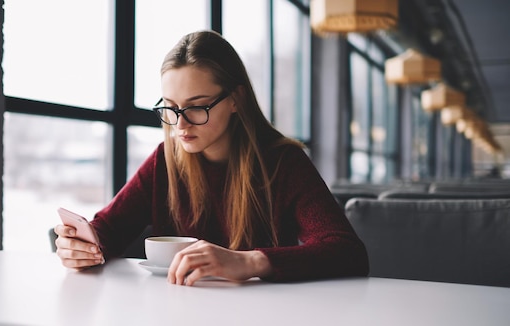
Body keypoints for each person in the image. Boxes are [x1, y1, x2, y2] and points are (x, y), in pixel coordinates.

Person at [54, 30, 369, 286]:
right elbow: (108, 230)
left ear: (235, 100)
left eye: (196, 107)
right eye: (171, 107)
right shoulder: (167, 159)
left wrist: (249, 261)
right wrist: (82, 248)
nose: (181, 124)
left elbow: (348, 252)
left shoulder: (283, 162)